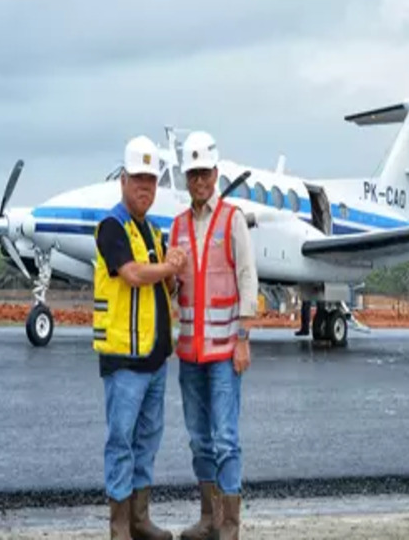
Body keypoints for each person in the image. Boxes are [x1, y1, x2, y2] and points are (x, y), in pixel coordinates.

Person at [93, 135, 187, 540]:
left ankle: (140, 519)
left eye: (151, 181)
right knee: (121, 442)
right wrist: (168, 268)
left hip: (153, 360)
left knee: (147, 441)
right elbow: (131, 274)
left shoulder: (151, 231)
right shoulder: (111, 227)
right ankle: (120, 528)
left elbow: (163, 289)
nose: (145, 189)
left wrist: (175, 275)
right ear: (123, 182)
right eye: (138, 181)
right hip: (124, 361)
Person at [169, 131, 258, 539]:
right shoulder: (178, 226)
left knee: (226, 439)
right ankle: (208, 519)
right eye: (192, 175)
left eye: (205, 173)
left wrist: (243, 337)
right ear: (187, 180)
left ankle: (230, 526)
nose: (199, 181)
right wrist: (168, 276)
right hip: (189, 353)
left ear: (216, 174)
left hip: (224, 351)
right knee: (199, 441)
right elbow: (175, 286)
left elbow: (246, 278)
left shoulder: (232, 219)